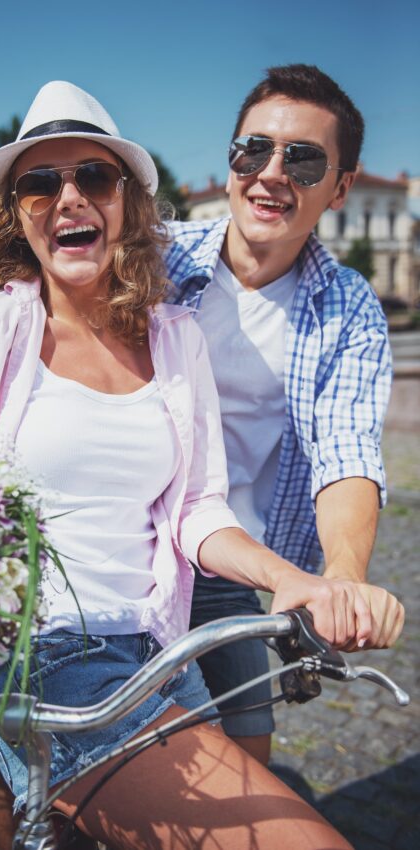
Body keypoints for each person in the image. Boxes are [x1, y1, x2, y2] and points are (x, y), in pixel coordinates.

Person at [0, 79, 403, 850]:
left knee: (247, 760)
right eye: (40, 182)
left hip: (176, 615)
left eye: (94, 177)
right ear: (15, 211)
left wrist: (321, 578)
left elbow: (308, 468)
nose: (270, 172)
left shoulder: (193, 330)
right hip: (48, 650)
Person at [165, 63, 399, 766]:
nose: (271, 173)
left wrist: (345, 576)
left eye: (303, 159)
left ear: (341, 187)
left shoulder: (349, 307)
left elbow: (347, 449)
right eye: (253, 149)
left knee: (246, 764)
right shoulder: (153, 255)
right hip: (129, 553)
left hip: (244, 566)